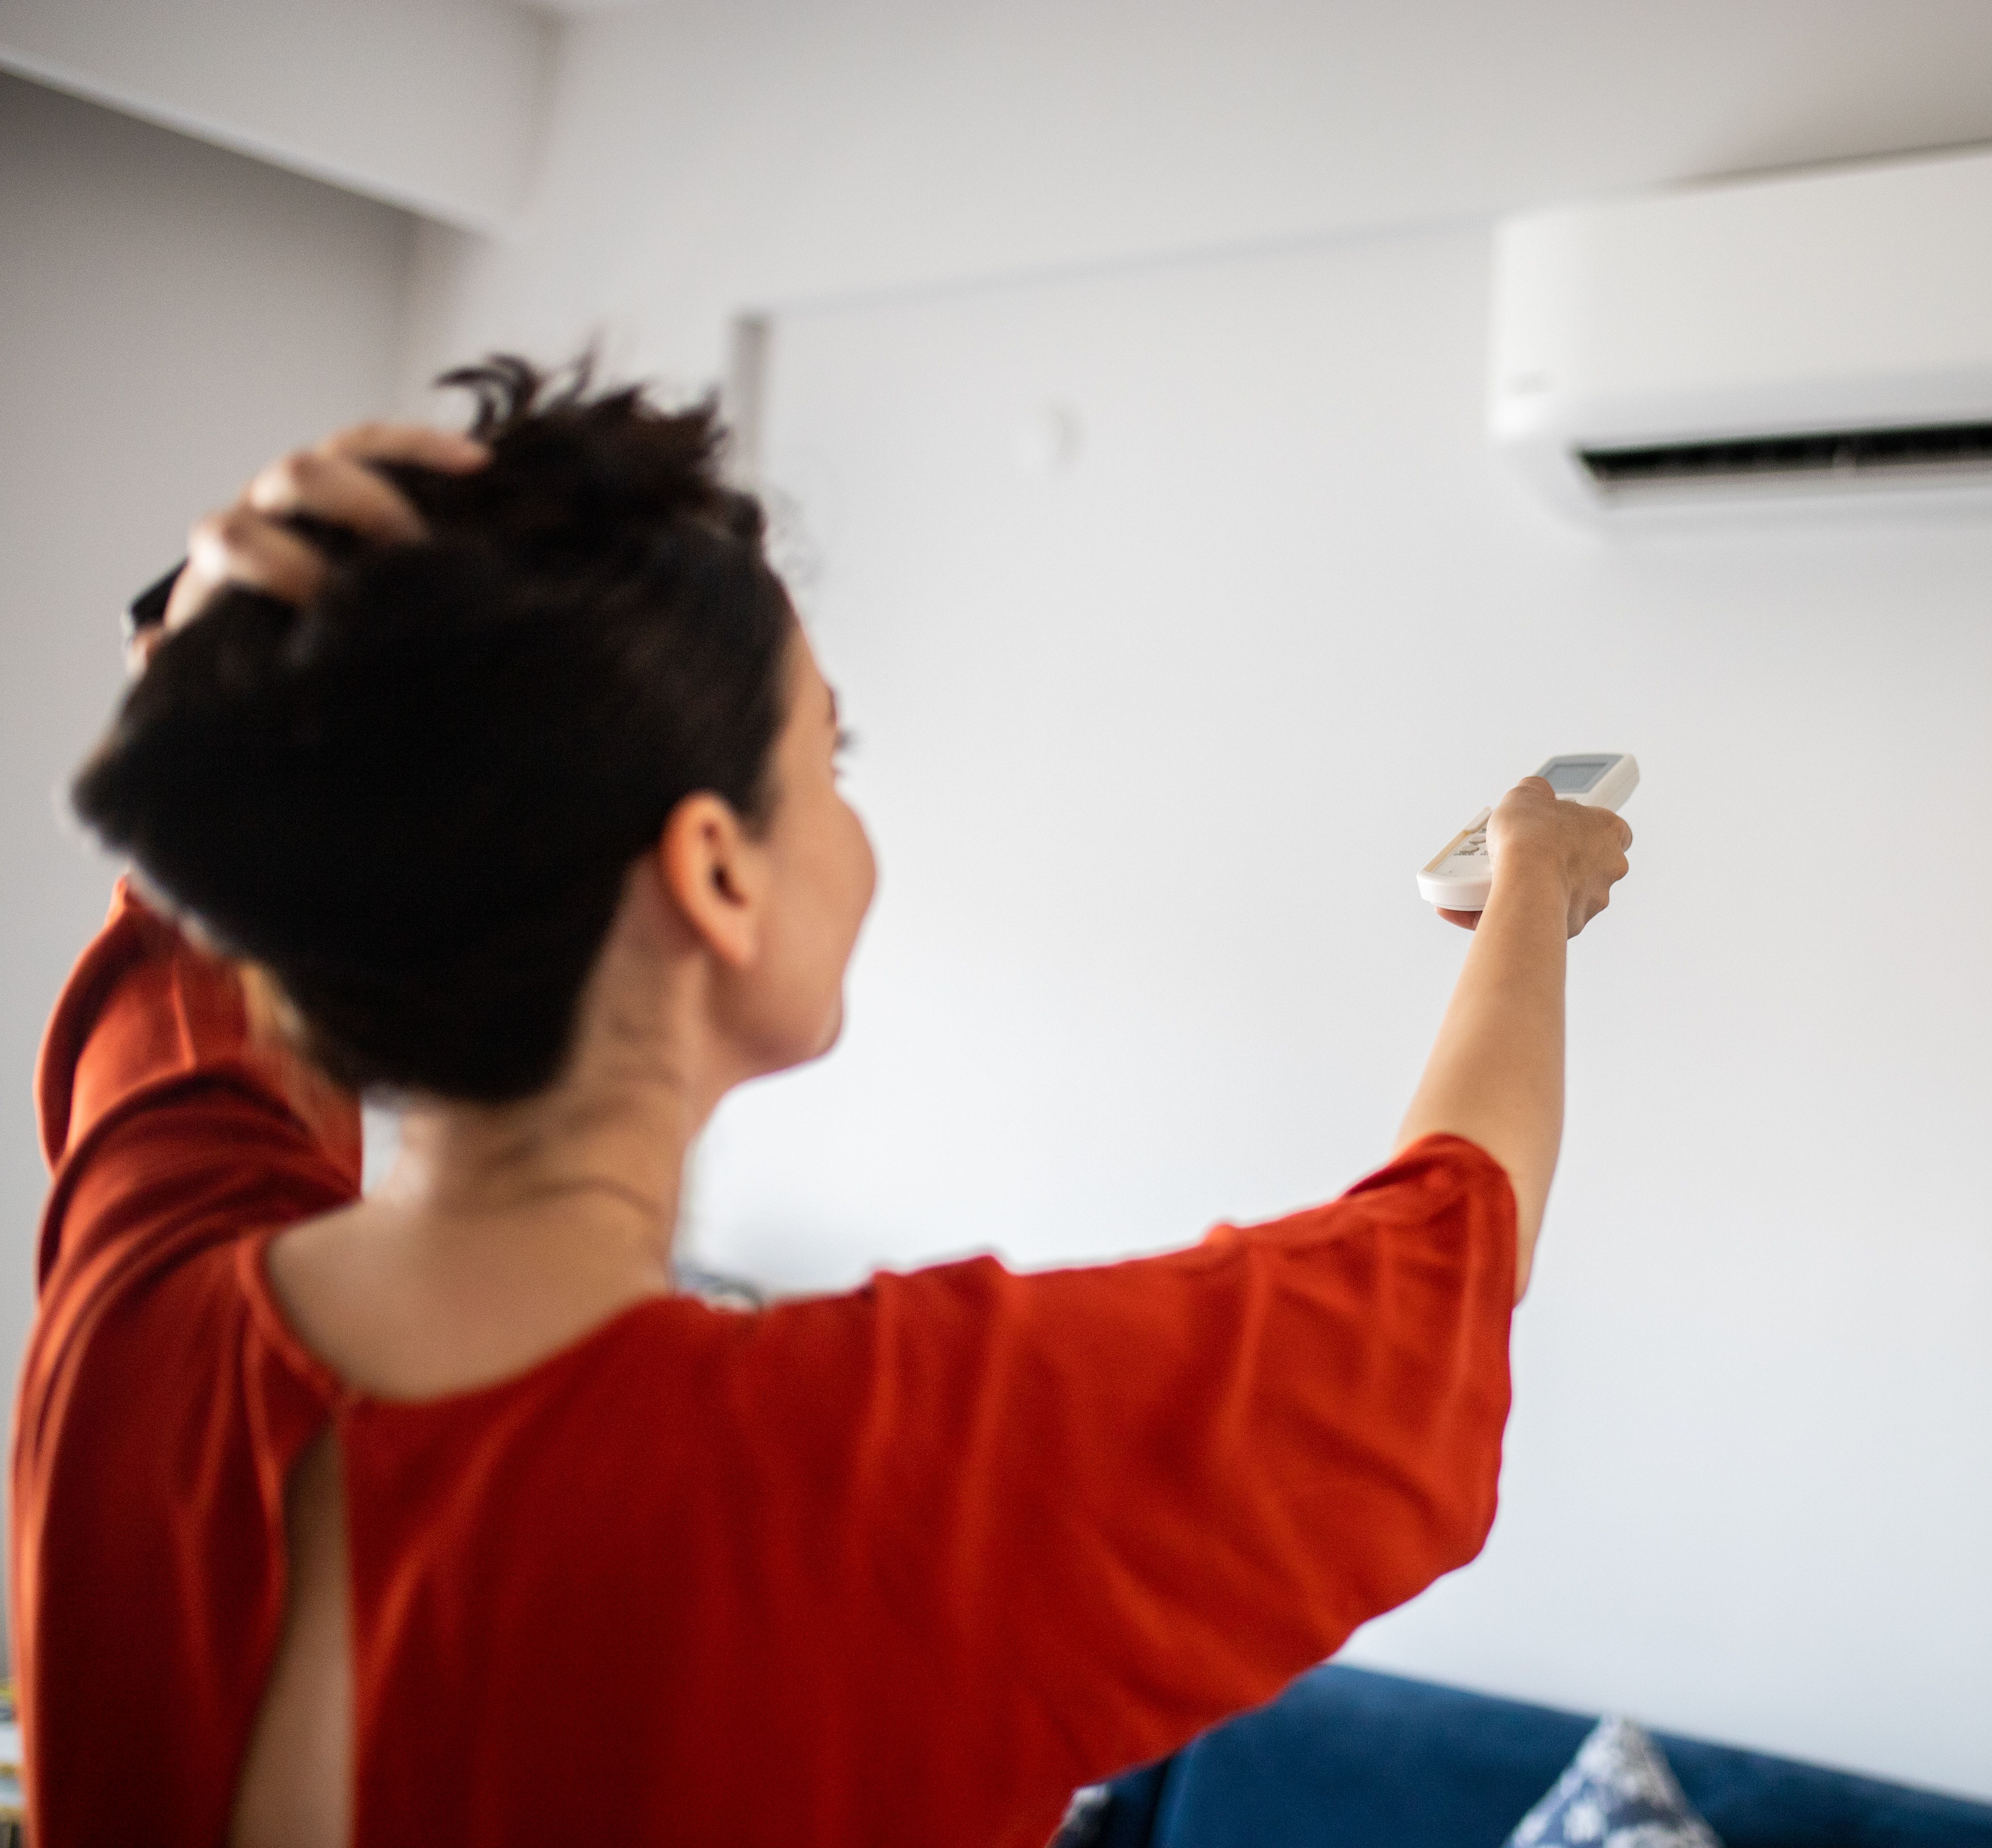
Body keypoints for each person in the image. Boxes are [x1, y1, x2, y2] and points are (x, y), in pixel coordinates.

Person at [12, 359, 1631, 1847]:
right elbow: (1442, 1263)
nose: (852, 823)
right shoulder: (891, 1477)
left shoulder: (139, 1310)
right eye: (829, 760)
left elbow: (200, 917)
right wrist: (1534, 893)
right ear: (716, 871)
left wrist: (247, 665)